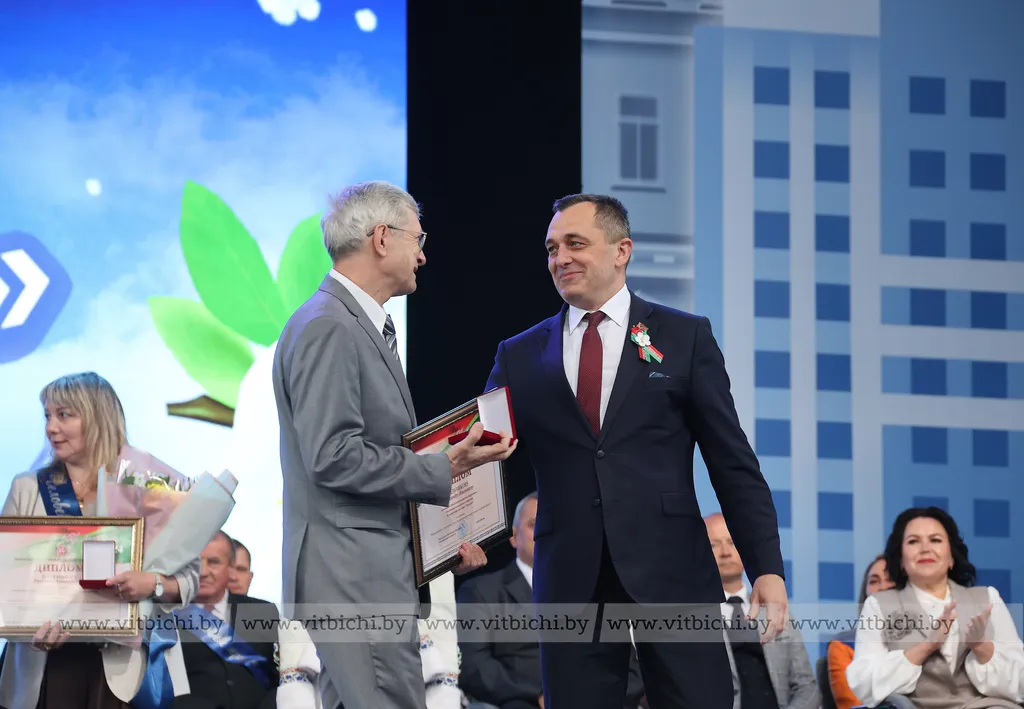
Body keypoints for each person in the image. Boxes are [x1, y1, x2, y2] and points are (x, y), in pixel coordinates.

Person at [484, 194, 787, 708]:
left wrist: (767, 569)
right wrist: (460, 536)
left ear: (621, 250)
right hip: (571, 581)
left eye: (575, 244)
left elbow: (732, 463)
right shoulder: (519, 353)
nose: (560, 258)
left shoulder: (684, 336)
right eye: (552, 248)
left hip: (674, 571)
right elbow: (483, 453)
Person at [273, 180, 516, 709]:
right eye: (417, 238)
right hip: (354, 575)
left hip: (366, 569)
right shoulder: (330, 327)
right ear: (382, 238)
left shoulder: (349, 323)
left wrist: (438, 549)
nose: (423, 255)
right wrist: (446, 466)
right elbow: (333, 457)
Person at [0, 372, 200, 709]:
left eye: (64, 415)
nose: (51, 427)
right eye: (47, 416)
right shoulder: (28, 487)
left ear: (96, 418)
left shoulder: (150, 486)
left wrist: (152, 583)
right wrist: (28, 627)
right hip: (45, 665)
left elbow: (191, 578)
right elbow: (6, 581)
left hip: (124, 670)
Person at [458, 492, 645, 709]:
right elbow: (475, 667)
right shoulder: (482, 592)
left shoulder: (593, 587)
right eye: (534, 524)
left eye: (551, 525)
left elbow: (632, 669)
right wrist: (538, 694)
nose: (542, 533)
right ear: (513, 536)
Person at [846, 506, 1024, 708]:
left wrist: (982, 647)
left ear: (952, 557)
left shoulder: (987, 598)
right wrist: (927, 646)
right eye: (913, 541)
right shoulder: (878, 605)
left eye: (935, 540)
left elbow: (1020, 682)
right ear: (901, 560)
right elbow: (864, 682)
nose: (925, 549)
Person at [705, 513, 817, 709]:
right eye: (714, 545)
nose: (725, 552)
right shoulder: (691, 619)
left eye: (733, 542)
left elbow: (806, 686)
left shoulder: (775, 610)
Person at [174, 532, 278, 709]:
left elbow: (281, 676)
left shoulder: (262, 611)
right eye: (195, 563)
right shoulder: (167, 614)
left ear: (230, 569)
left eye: (213, 562)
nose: (202, 572)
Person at [825, 555, 893, 709]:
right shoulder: (843, 646)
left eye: (890, 579)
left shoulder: (926, 639)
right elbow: (855, 705)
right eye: (874, 581)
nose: (882, 587)